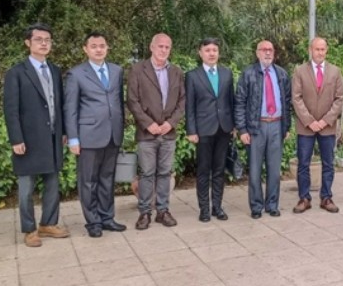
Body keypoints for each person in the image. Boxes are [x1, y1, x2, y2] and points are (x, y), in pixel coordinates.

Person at [3, 23, 70, 247]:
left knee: (52, 183)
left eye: (47, 39)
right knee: (26, 188)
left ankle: (48, 223)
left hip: (52, 137)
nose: (44, 43)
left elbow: (59, 104)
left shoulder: (54, 70)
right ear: (28, 43)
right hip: (28, 140)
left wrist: (63, 132)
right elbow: (10, 109)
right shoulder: (16, 73)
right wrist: (16, 139)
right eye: (39, 39)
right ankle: (30, 229)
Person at [64, 32, 127, 238]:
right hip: (88, 135)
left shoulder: (117, 71)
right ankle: (93, 222)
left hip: (112, 134)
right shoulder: (76, 74)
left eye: (102, 45)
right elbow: (70, 108)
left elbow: (119, 102)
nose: (98, 49)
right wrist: (73, 138)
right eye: (94, 46)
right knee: (88, 181)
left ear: (107, 47)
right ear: (85, 49)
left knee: (107, 178)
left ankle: (107, 217)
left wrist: (121, 128)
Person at [127, 33, 186, 230]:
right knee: (147, 173)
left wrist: (171, 123)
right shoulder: (137, 70)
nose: (163, 50)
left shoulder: (176, 72)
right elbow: (132, 101)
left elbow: (182, 101)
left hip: (168, 133)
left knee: (165, 173)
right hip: (147, 133)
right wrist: (147, 123)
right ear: (151, 47)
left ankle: (163, 211)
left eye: (167, 47)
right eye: (160, 46)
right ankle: (145, 213)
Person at [235, 40, 292, 219]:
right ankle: (256, 206)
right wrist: (242, 130)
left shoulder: (281, 74)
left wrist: (286, 126)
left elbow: (287, 102)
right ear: (257, 53)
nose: (267, 53)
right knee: (255, 170)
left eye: (270, 50)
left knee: (274, 170)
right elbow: (240, 103)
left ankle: (272, 205)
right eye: (264, 50)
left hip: (276, 125)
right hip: (256, 127)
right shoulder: (248, 73)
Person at [291, 38, 343, 214]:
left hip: (327, 126)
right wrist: (310, 121)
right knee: (303, 164)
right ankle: (304, 198)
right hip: (305, 126)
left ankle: (326, 197)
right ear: (310, 50)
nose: (320, 52)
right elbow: (296, 98)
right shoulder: (300, 71)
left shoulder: (335, 71)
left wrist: (324, 121)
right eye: (317, 49)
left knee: (328, 163)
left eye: (323, 49)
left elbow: (339, 99)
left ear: (326, 50)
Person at [185, 38, 235, 222]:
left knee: (220, 170)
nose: (212, 53)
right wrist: (191, 130)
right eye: (208, 50)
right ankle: (204, 209)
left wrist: (234, 126)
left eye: (215, 50)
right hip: (203, 130)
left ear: (218, 53)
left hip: (224, 128)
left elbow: (231, 101)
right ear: (200, 53)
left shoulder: (227, 73)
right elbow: (189, 106)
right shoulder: (192, 76)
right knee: (204, 170)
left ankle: (218, 207)